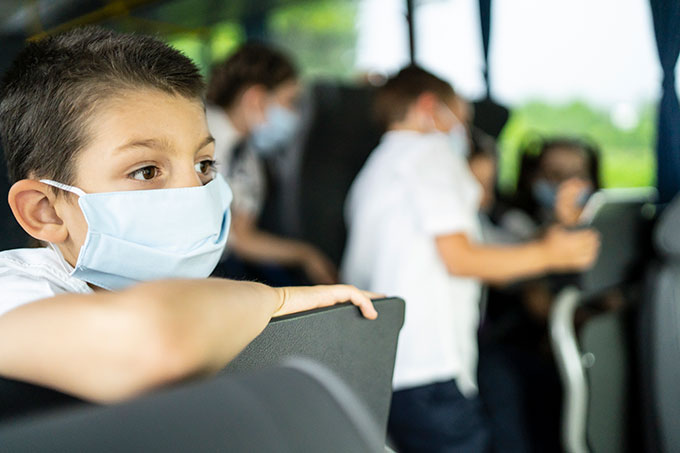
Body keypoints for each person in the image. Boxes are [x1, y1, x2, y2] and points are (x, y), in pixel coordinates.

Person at [0, 27, 378, 404]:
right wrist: (274, 302)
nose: (195, 194)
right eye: (146, 171)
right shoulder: (16, 294)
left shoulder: (192, 306)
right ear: (45, 211)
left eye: (205, 165)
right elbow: (153, 343)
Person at [341, 66, 600, 452]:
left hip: (384, 366)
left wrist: (550, 235)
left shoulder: (376, 171)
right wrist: (551, 254)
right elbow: (461, 259)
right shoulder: (428, 151)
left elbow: (482, 248)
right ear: (430, 108)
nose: (463, 132)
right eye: (461, 118)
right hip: (428, 367)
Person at [205, 43, 337, 285]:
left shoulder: (249, 159)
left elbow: (242, 237)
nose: (294, 114)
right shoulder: (196, 135)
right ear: (255, 99)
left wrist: (305, 255)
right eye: (289, 101)